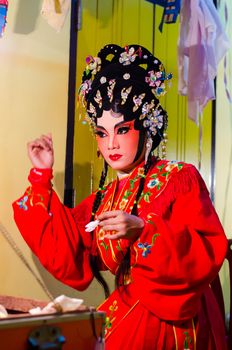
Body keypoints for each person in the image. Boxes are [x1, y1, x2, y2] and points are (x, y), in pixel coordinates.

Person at [13, 44, 228, 349]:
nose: (111, 143)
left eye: (122, 129)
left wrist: (144, 231)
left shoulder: (178, 178)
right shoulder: (105, 198)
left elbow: (207, 249)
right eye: (102, 133)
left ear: (146, 126)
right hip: (128, 304)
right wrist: (41, 177)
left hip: (174, 315)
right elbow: (66, 249)